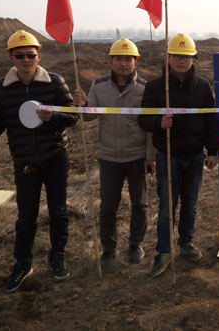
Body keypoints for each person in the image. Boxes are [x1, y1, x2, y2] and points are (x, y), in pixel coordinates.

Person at [0, 30, 78, 292]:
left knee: (58, 211)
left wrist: (54, 118)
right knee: (26, 216)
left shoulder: (55, 82)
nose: (26, 60)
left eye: (31, 54)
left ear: (39, 55)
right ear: (11, 57)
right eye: (20, 55)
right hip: (25, 162)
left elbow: (73, 116)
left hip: (55, 157)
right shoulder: (0, 89)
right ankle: (22, 264)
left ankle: (57, 256)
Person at [138, 33, 219, 277]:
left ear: (193, 59)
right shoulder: (155, 87)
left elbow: (211, 120)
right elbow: (143, 119)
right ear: (169, 57)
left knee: (190, 204)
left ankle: (186, 242)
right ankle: (163, 251)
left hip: (195, 156)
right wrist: (159, 122)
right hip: (168, 155)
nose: (181, 61)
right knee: (167, 206)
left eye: (186, 56)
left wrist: (212, 151)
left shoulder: (202, 86)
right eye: (177, 56)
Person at [73, 38, 155, 268]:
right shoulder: (98, 85)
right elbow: (88, 117)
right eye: (118, 58)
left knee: (140, 204)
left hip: (137, 156)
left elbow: (150, 125)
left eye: (128, 59)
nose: (123, 63)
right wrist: (82, 104)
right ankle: (108, 249)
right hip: (108, 156)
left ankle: (135, 244)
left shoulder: (145, 89)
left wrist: (150, 156)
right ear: (111, 60)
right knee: (108, 206)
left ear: (136, 62)